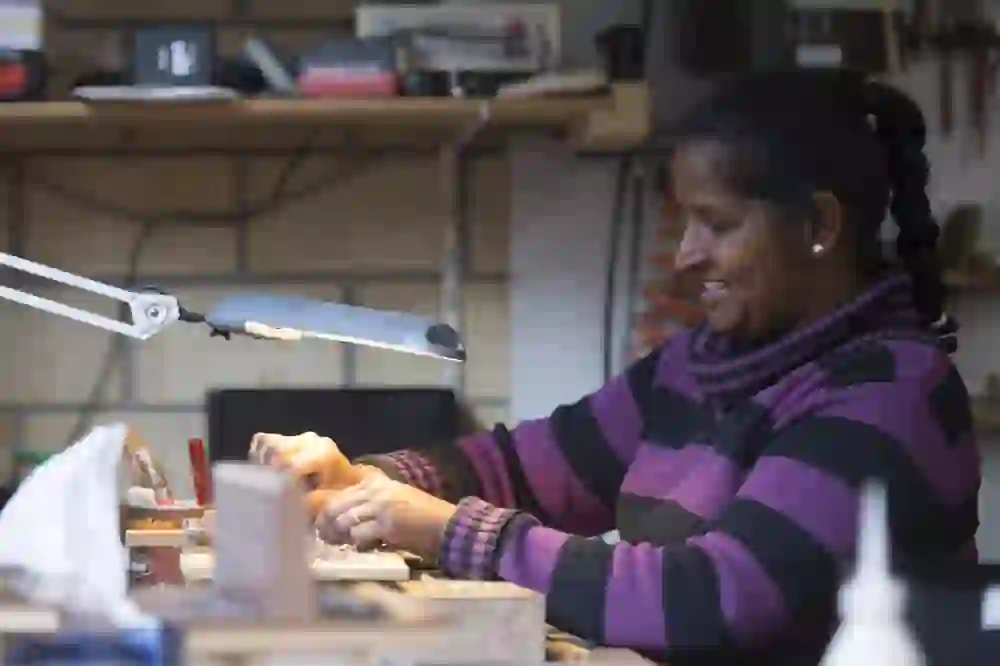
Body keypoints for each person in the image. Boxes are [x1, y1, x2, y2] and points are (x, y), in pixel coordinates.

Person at [249, 70, 980, 665]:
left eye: (717, 224)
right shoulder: (698, 367)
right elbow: (525, 467)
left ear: (820, 226)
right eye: (685, 220)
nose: (688, 254)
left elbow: (712, 598)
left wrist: (448, 532)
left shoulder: (887, 395)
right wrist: (367, 481)